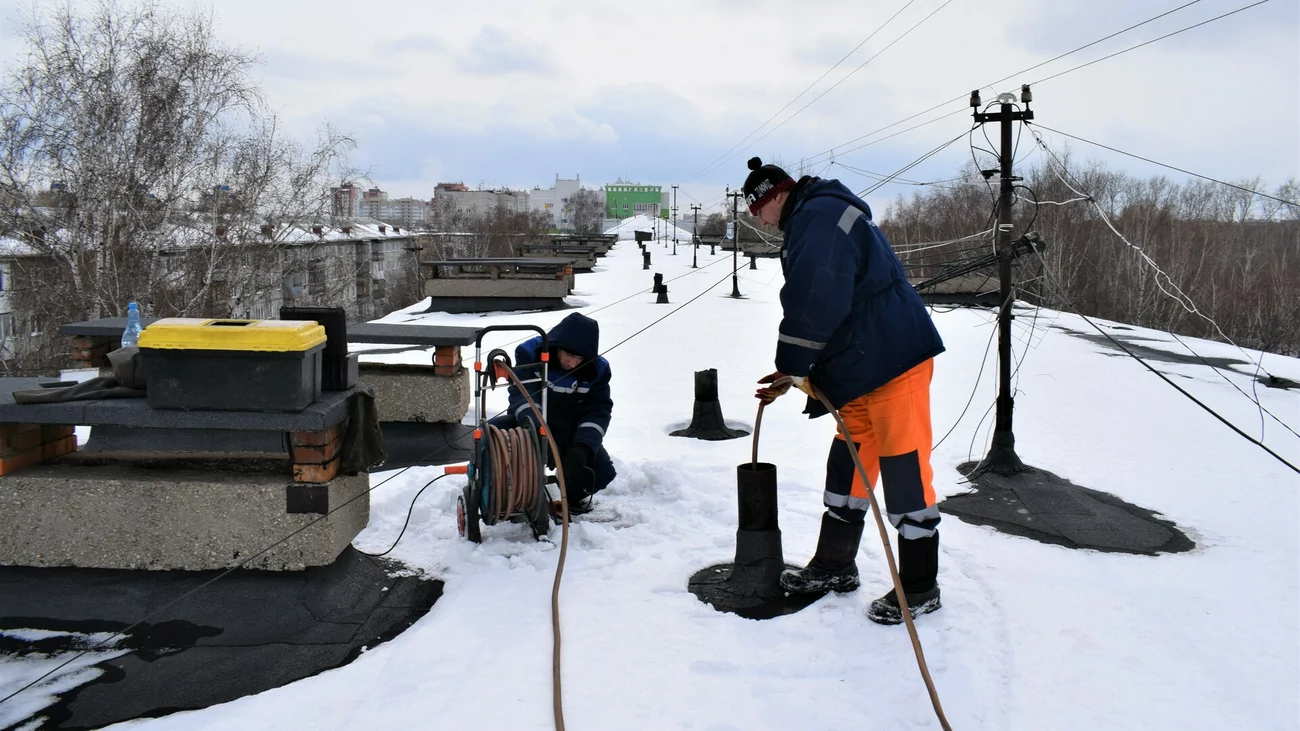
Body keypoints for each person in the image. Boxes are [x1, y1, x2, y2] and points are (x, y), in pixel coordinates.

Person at [744, 156, 946, 625]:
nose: (760, 221)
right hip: (861, 370)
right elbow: (834, 306)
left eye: (758, 211)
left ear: (772, 197)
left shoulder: (816, 218)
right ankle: (835, 565)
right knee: (847, 468)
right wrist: (798, 377)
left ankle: (919, 587)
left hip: (892, 364)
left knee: (905, 476)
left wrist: (793, 366)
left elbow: (815, 302)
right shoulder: (815, 217)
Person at [489, 312, 615, 514]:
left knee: (601, 473)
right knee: (492, 439)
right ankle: (512, 498)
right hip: (528, 428)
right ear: (558, 347)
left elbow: (597, 411)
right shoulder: (530, 354)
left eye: (580, 358)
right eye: (570, 355)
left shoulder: (597, 371)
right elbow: (522, 398)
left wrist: (582, 448)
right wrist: (539, 435)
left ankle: (564, 498)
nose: (573, 364)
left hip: (569, 431)